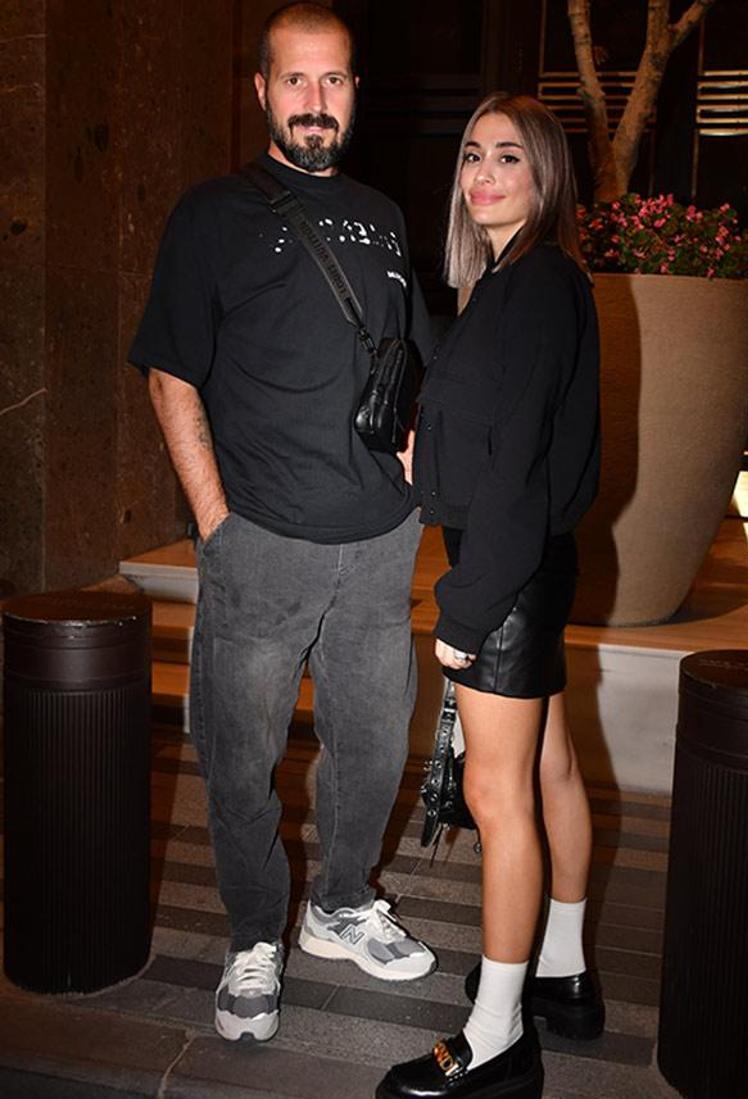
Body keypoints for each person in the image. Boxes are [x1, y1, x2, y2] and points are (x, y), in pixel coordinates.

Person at [129, 2, 436, 1045]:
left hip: (378, 541)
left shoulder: (385, 216)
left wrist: (413, 479)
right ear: (261, 89)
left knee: (371, 748)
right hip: (259, 536)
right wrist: (216, 521)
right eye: (295, 80)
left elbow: (406, 362)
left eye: (333, 79)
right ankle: (254, 932)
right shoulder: (212, 212)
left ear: (354, 92)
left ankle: (340, 903)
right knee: (239, 754)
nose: (315, 100)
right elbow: (171, 373)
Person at [376, 94, 603, 1099]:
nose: (483, 174)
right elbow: (501, 441)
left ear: (545, 173)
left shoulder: (537, 282)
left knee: (495, 796)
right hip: (524, 559)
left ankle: (498, 1035)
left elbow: (518, 468)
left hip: (503, 570)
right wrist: (425, 457)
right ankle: (560, 969)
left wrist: (465, 610)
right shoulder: (509, 284)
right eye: (472, 154)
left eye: (508, 156)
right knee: (549, 768)